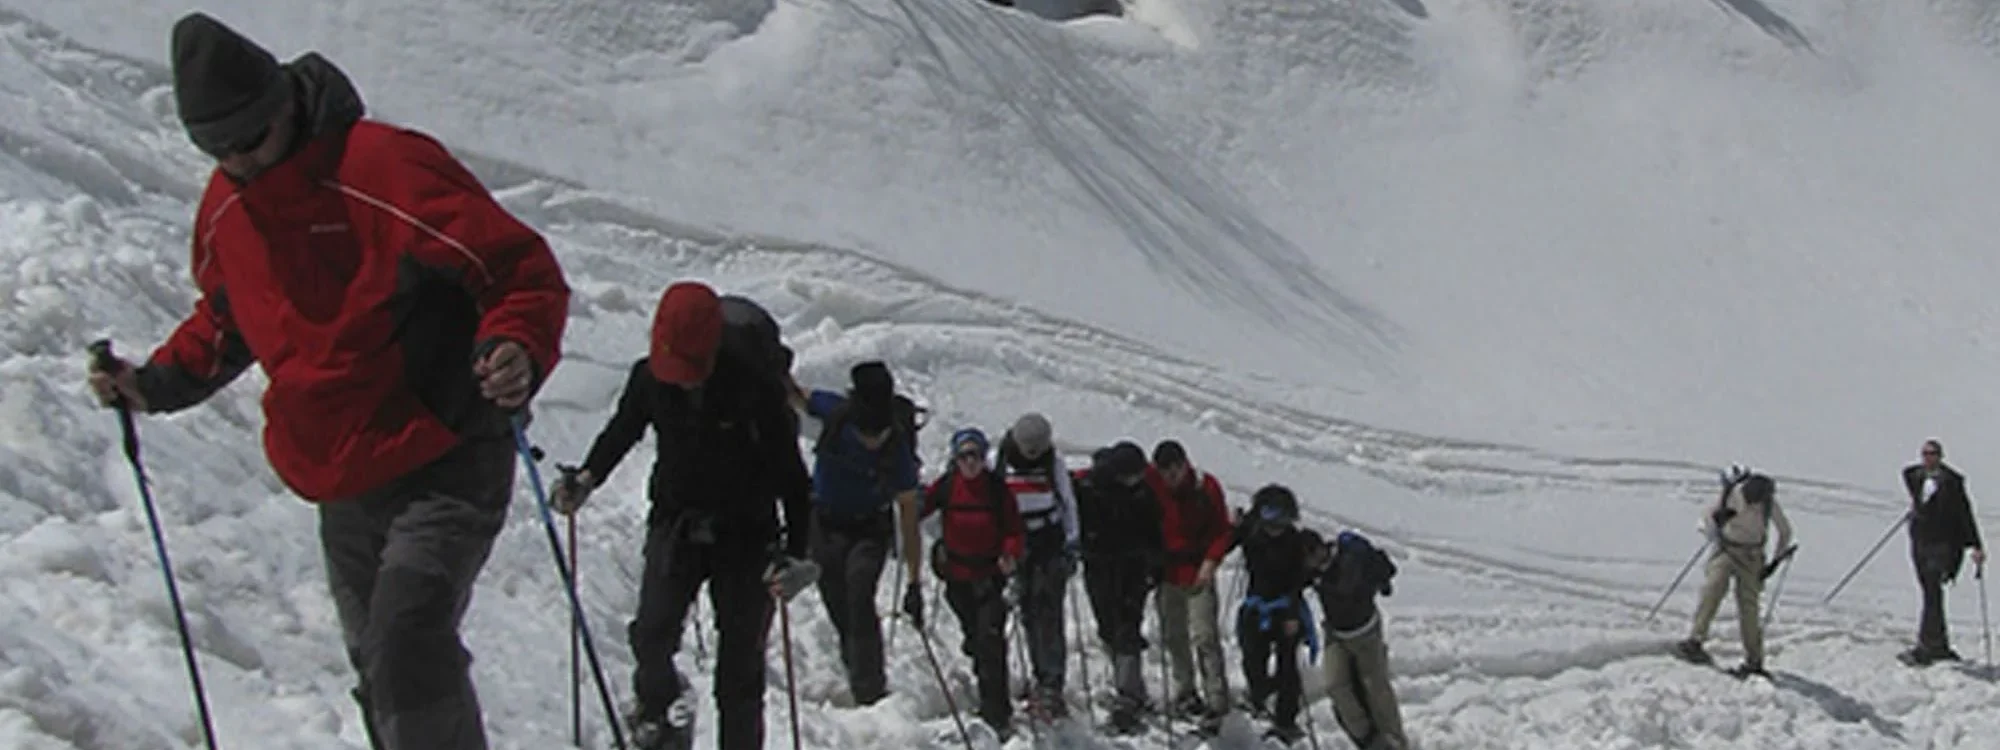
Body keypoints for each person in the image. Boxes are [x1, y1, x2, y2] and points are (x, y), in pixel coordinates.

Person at [86, 13, 569, 750]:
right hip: (342, 472)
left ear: (284, 103)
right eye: (217, 149)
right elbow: (227, 321)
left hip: (444, 448)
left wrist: (517, 346)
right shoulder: (228, 209)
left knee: (408, 642)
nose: (240, 162)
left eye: (250, 139)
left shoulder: (385, 169)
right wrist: (149, 386)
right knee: (380, 663)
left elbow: (519, 272)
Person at [552, 281, 813, 750]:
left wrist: (797, 554)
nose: (684, 380)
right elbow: (624, 429)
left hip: (747, 533)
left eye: (693, 369)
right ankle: (660, 713)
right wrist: (588, 477)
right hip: (676, 519)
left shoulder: (755, 387)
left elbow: (792, 478)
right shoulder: (650, 378)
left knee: (739, 667)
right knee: (651, 636)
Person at [801, 361, 921, 705]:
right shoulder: (836, 413)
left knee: (859, 591)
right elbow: (794, 394)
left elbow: (909, 519)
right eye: (867, 434)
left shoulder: (897, 450)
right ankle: (856, 667)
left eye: (879, 434)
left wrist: (914, 582)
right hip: (824, 524)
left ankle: (870, 689)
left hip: (869, 528)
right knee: (836, 599)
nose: (873, 441)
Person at [903, 428, 1024, 739]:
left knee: (990, 641)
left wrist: (1010, 553)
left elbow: (1014, 529)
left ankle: (996, 712)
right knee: (975, 637)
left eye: (976, 456)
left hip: (989, 578)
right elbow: (920, 508)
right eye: (964, 456)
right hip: (957, 579)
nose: (970, 462)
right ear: (955, 458)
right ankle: (985, 681)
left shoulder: (997, 490)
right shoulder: (947, 486)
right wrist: (907, 505)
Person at [1071, 441, 1163, 734]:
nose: (1135, 480)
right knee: (1108, 627)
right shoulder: (1088, 489)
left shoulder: (1141, 492)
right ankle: (1131, 687)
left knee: (1127, 626)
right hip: (1099, 565)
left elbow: (1153, 528)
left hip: (1133, 567)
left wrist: (1155, 564)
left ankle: (1128, 695)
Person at [993, 412, 1081, 717]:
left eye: (1037, 448)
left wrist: (1071, 544)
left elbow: (1068, 502)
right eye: (1028, 448)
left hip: (1047, 542)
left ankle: (1051, 682)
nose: (1032, 454)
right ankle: (1036, 674)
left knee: (1047, 610)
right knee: (1026, 609)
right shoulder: (1000, 461)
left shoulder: (1052, 464)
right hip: (1015, 542)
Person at [1145, 439, 1233, 733]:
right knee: (1173, 636)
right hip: (1168, 573)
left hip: (1197, 572)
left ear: (1185, 464)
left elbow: (1222, 530)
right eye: (1164, 470)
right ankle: (1186, 692)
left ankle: (1217, 699)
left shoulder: (1205, 488)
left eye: (1175, 469)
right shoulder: (1153, 487)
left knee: (1204, 636)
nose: (1170, 476)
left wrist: (1211, 561)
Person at [1675, 468, 1793, 678]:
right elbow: (1705, 519)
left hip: (1752, 556)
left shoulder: (1769, 504)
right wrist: (1716, 524)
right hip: (1727, 550)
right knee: (1713, 589)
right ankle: (1695, 640)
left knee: (1749, 606)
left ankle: (1754, 660)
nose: (1754, 505)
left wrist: (1775, 561)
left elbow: (1785, 531)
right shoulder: (1732, 495)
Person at [1232, 485, 1327, 745]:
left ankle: (1286, 719)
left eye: (1282, 520)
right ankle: (1260, 694)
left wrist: (1294, 614)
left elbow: (1300, 580)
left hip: (1286, 610)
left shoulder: (1296, 543)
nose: (1276, 527)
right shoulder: (1251, 534)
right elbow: (1230, 538)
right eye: (1271, 519)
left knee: (1287, 666)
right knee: (1253, 659)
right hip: (1255, 608)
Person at [1314, 527, 1406, 750]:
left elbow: (1345, 590)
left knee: (1376, 689)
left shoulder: (1349, 563)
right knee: (1335, 685)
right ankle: (1369, 740)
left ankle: (1396, 742)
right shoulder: (1315, 568)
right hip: (1336, 634)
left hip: (1365, 634)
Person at [1901, 440, 1986, 665]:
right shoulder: (1917, 477)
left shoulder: (1952, 482)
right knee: (1930, 592)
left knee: (1932, 590)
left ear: (1941, 456)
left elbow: (1965, 513)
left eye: (1933, 453)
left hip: (1943, 544)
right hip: (1920, 541)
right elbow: (1908, 473)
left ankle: (1927, 646)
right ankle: (1937, 643)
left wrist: (1976, 545)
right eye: (1926, 453)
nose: (1929, 457)